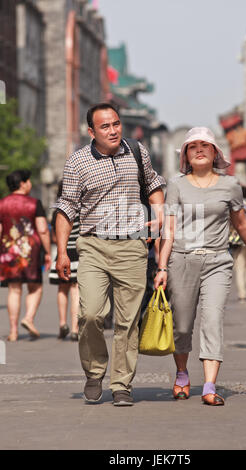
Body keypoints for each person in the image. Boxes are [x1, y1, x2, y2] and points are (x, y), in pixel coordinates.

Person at [54, 102, 165, 406]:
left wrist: (159, 213)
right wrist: (62, 251)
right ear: (91, 131)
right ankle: (94, 371)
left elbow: (153, 183)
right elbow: (66, 209)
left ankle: (121, 384)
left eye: (116, 124)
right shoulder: (77, 162)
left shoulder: (136, 151)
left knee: (128, 322)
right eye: (105, 126)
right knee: (90, 314)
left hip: (132, 246)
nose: (114, 130)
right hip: (93, 246)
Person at [154, 127, 246, 406]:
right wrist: (162, 267)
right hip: (181, 259)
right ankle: (181, 373)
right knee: (182, 325)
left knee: (212, 320)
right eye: (193, 147)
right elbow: (170, 228)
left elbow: (240, 222)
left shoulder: (230, 185)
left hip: (217, 260)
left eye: (205, 145)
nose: (199, 150)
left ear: (215, 153)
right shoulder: (176, 185)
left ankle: (210, 386)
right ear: (186, 156)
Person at [0, 169, 51, 341]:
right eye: (28, 181)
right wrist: (48, 252)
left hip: (9, 251)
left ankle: (13, 331)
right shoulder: (34, 203)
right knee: (35, 287)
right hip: (31, 251)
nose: (30, 184)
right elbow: (43, 229)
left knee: (14, 290)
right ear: (22, 183)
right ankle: (28, 318)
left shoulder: (2, 203)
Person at [49, 181, 79, 341]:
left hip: (62, 252)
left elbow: (55, 236)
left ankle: (62, 323)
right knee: (76, 289)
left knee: (62, 289)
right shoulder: (81, 208)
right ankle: (75, 328)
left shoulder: (58, 211)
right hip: (78, 253)